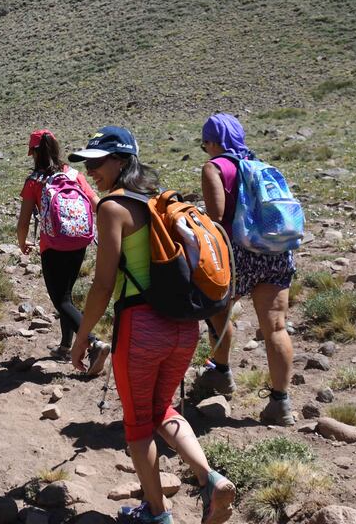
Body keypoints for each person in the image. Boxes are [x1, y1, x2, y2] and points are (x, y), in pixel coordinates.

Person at [68, 126, 235, 524]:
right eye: (88, 163)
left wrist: (82, 336)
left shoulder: (113, 207)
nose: (92, 171)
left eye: (98, 162)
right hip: (183, 326)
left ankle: (158, 515)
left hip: (140, 327)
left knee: (138, 425)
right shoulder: (160, 201)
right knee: (163, 408)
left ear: (122, 161)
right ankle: (209, 477)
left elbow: (104, 283)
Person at [196, 113, 297, 426]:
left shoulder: (215, 167)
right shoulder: (260, 165)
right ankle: (280, 403)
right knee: (275, 327)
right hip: (275, 253)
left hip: (237, 255)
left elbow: (215, 217)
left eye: (204, 143)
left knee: (219, 314)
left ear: (213, 141)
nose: (205, 149)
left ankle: (222, 374)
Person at [16, 129, 109, 375]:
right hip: (79, 240)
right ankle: (66, 345)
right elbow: (97, 204)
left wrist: (22, 242)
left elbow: (24, 221)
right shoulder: (75, 175)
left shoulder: (35, 181)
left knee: (61, 300)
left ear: (35, 152)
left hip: (53, 245)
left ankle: (94, 342)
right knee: (66, 295)